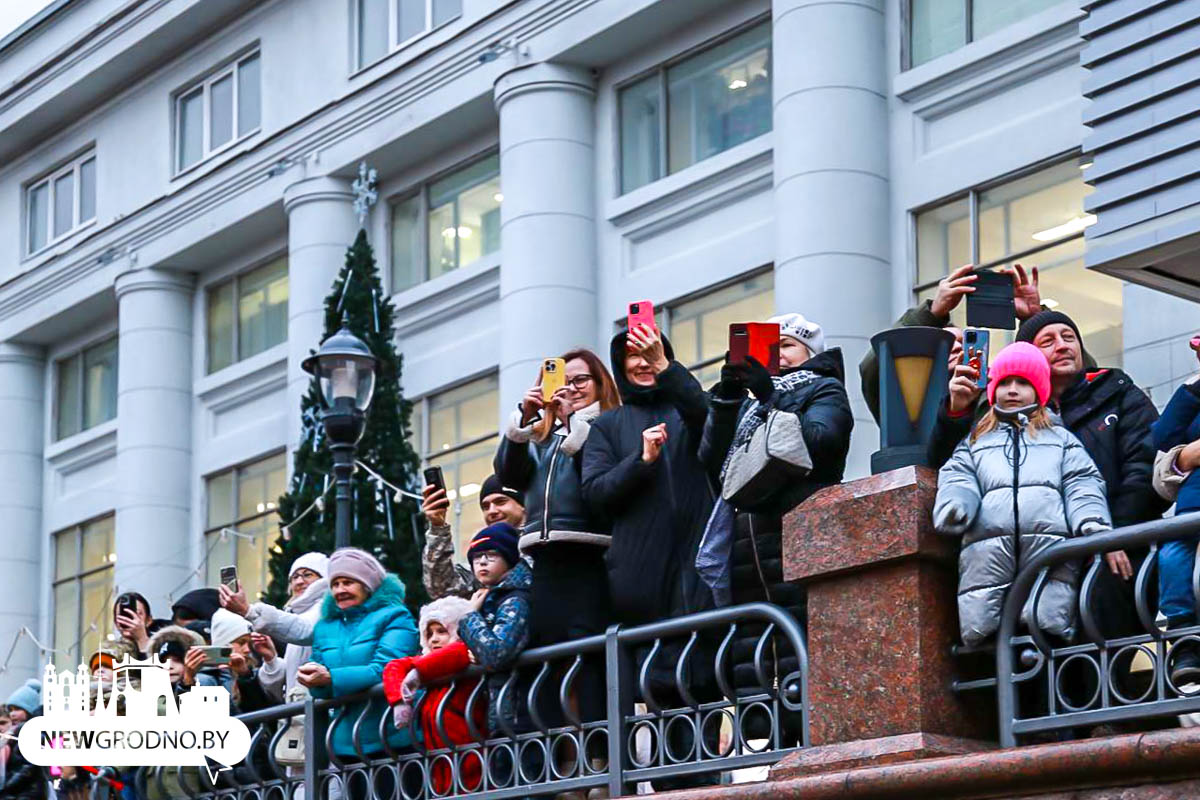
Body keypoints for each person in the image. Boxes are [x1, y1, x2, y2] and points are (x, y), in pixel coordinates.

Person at [928, 310, 1167, 640]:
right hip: (1019, 569)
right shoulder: (994, 420)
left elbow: (1141, 468)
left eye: (1069, 338)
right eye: (1048, 341)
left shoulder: (1117, 392)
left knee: (1098, 657)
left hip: (1114, 553)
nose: (1063, 346)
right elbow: (951, 469)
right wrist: (957, 411)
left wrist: (1107, 535)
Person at [699, 313, 852, 739]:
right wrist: (728, 399)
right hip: (749, 556)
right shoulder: (747, 405)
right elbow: (713, 467)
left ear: (809, 354)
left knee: (807, 668)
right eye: (771, 345)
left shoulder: (825, 387)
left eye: (786, 345)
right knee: (759, 678)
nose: (777, 354)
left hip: (799, 541)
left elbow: (822, 442)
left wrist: (770, 395)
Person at [934, 342, 1112, 648]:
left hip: (1049, 556)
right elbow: (958, 476)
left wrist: (1093, 524)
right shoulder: (976, 441)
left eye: (1023, 383)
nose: (1012, 390)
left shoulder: (1061, 440)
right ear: (992, 390)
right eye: (1004, 382)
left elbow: (1082, 484)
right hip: (988, 558)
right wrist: (955, 505)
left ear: (1039, 391)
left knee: (1044, 647)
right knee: (994, 653)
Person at [494, 348, 619, 736]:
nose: (572, 388)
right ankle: (557, 768)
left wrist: (573, 425)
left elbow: (599, 485)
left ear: (600, 384)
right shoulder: (540, 437)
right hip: (544, 559)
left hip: (590, 555)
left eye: (582, 380)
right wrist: (525, 419)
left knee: (590, 660)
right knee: (546, 659)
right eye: (564, 381)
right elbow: (508, 476)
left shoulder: (609, 426)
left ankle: (601, 760)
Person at [581, 324, 715, 632]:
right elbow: (595, 492)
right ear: (620, 365)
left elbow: (712, 421)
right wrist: (640, 462)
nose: (643, 363)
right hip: (640, 578)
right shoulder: (607, 425)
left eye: (651, 354)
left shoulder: (688, 409)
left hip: (701, 566)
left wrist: (666, 369)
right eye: (633, 356)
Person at [860, 263, 1052, 424]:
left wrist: (1033, 319)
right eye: (945, 343)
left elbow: (1046, 374)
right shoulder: (905, 401)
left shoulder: (1000, 394)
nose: (958, 347)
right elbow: (874, 366)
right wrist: (932, 313)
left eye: (963, 341)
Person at [298, 548, 419, 760]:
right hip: (345, 744)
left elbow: (387, 668)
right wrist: (314, 681)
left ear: (367, 586)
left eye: (348, 582)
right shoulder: (324, 627)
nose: (340, 590)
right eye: (335, 584)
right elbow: (320, 683)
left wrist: (331, 678)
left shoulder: (396, 617)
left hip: (392, 737)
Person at [383, 596, 484, 796]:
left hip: (474, 759)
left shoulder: (467, 654)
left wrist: (418, 673)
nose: (434, 639)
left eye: (442, 631)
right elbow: (393, 666)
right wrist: (398, 701)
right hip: (442, 762)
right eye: (429, 634)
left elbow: (458, 651)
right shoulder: (428, 663)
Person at [1149, 341, 1200, 685]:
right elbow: (1163, 436)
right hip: (1190, 509)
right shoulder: (1196, 390)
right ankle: (1184, 642)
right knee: (1172, 559)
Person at [220, 552, 330, 702]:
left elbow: (306, 631)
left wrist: (248, 611)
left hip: (319, 714)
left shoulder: (327, 608)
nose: (299, 581)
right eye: (294, 577)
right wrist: (271, 659)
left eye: (307, 575)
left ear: (324, 577)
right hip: (300, 717)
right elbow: (287, 685)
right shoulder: (297, 614)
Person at [457, 523, 532, 735]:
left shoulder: (516, 599)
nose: (481, 561)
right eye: (476, 556)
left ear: (509, 558)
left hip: (517, 717)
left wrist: (468, 616)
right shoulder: (488, 597)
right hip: (499, 713)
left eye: (491, 555)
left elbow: (496, 653)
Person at [422, 475, 525, 601]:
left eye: (501, 502)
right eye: (486, 507)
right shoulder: (483, 553)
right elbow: (442, 589)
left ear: (523, 505)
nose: (492, 511)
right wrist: (437, 527)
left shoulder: (541, 545)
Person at [209, 609, 276, 714]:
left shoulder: (252, 673)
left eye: (249, 643)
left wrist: (245, 675)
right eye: (241, 643)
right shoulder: (208, 679)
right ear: (224, 644)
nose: (247, 649)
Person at [1, 679, 43, 800]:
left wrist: (7, 786)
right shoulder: (14, 733)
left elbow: (28, 767)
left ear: (29, 710)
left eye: (17, 709)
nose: (12, 714)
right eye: (11, 710)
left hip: (28, 793)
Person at [111, 592, 169, 660]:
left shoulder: (163, 646)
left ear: (149, 620)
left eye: (138, 613)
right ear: (115, 622)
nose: (129, 619)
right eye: (123, 614)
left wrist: (141, 639)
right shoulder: (111, 651)